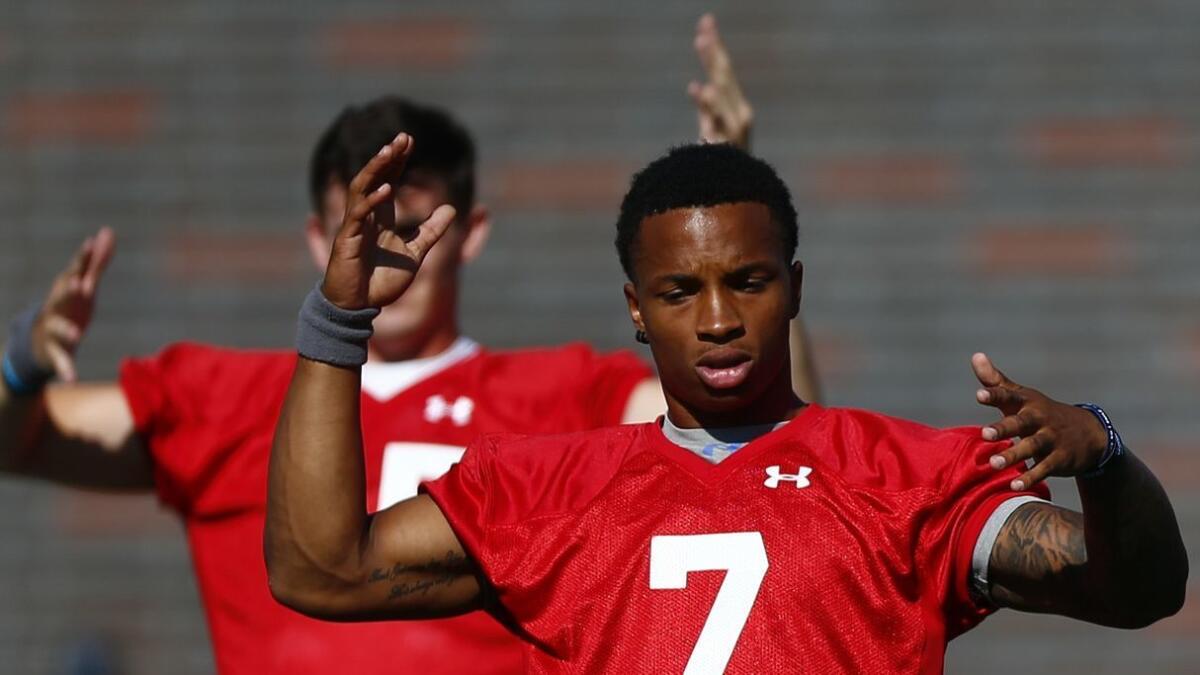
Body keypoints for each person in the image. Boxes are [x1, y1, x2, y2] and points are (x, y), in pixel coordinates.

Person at [0, 16, 821, 674]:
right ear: (318, 235)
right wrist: (19, 363)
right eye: (363, 225)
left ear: (470, 234)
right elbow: (22, 439)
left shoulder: (563, 395)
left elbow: (781, 433)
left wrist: (734, 207)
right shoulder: (220, 392)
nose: (388, 250)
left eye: (411, 224)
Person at [265, 139, 1187, 673]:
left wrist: (1104, 456)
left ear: (793, 287)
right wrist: (340, 319)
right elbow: (322, 572)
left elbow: (1139, 590)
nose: (716, 319)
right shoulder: (543, 490)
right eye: (678, 292)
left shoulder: (909, 475)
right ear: (635, 308)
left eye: (746, 282)